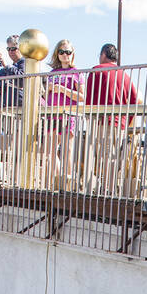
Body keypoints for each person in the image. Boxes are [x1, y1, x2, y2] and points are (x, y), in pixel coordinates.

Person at [84, 44, 143, 196]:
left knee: (101, 155)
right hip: (120, 124)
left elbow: (89, 98)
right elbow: (135, 99)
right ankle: (108, 188)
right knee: (113, 156)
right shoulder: (125, 75)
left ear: (103, 54)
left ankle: (103, 189)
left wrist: (89, 118)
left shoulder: (97, 70)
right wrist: (126, 120)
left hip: (101, 121)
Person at [44, 39, 84, 186]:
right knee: (49, 152)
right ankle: (57, 180)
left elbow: (82, 96)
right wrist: (46, 89)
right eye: (62, 52)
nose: (65, 55)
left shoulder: (76, 73)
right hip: (52, 115)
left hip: (68, 114)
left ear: (72, 54)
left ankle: (66, 183)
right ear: (57, 54)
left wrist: (63, 90)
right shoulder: (51, 73)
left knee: (67, 150)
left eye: (68, 52)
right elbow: (44, 96)